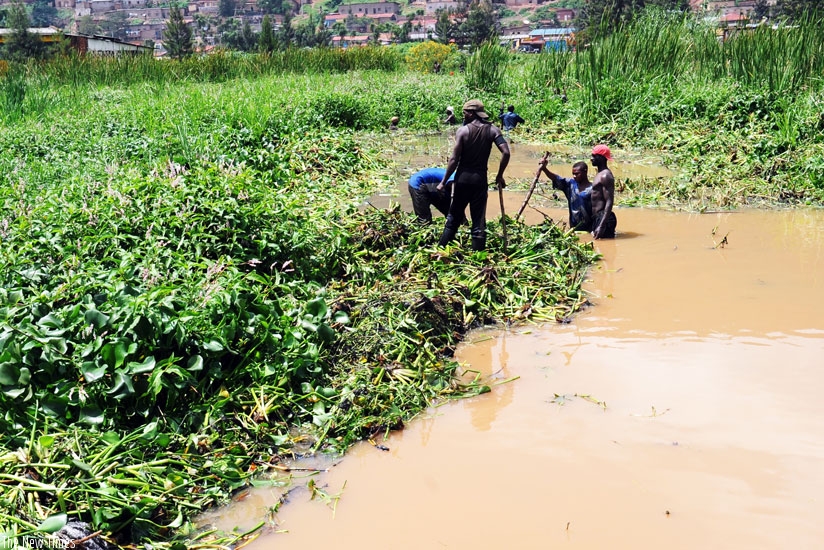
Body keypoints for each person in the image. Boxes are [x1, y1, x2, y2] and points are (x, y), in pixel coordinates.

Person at [436, 99, 510, 251]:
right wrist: (499, 175)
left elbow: (454, 159)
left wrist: (443, 181)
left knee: (454, 216)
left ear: (471, 113)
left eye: (464, 113)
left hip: (462, 179)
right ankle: (478, 256)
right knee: (478, 220)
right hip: (480, 180)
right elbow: (506, 152)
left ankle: (441, 249)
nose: (463, 116)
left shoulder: (463, 131)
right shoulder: (493, 130)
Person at [538, 159, 593, 232]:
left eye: (577, 174)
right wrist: (544, 169)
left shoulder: (593, 189)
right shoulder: (570, 185)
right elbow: (556, 178)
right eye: (573, 174)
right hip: (574, 228)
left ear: (585, 172)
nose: (574, 176)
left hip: (590, 228)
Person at [589, 144, 617, 239]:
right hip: (598, 217)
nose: (591, 159)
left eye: (594, 156)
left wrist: (601, 225)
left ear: (601, 157)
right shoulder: (600, 173)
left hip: (603, 218)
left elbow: (609, 201)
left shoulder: (605, 176)